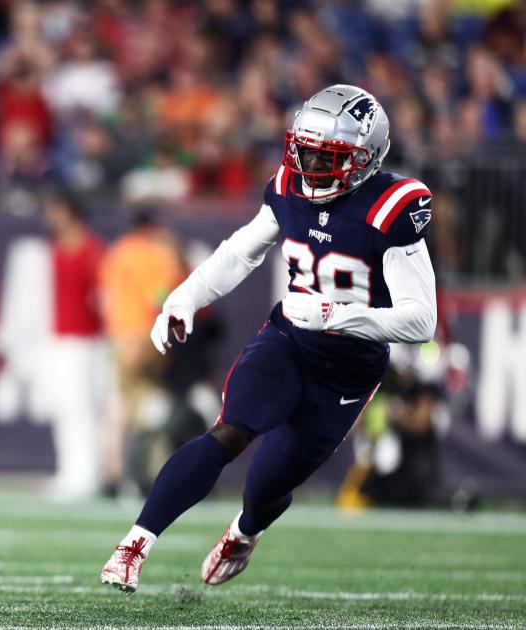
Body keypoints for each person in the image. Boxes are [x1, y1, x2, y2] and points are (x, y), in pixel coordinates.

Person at [100, 85, 437, 592]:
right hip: (289, 341)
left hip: (350, 366)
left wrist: (338, 314)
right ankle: (134, 544)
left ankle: (245, 531)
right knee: (229, 431)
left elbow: (421, 321)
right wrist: (185, 297)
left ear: (365, 159)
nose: (310, 165)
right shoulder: (288, 187)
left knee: (266, 485)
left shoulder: (391, 207)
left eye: (328, 156)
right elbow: (240, 253)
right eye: (305, 150)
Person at [98, 212, 183, 496]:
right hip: (145, 334)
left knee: (119, 404)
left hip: (118, 334)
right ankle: (145, 474)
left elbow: (107, 295)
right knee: (149, 405)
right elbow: (159, 297)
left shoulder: (116, 252)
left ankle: (113, 473)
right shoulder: (158, 255)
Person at [42, 191, 105, 501]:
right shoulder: (56, 249)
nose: (51, 216)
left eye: (56, 210)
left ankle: (86, 473)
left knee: (82, 408)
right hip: (60, 338)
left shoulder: (90, 249)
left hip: (85, 340)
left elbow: (102, 296)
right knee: (64, 406)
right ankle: (69, 471)